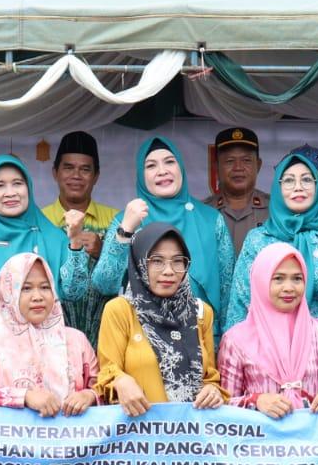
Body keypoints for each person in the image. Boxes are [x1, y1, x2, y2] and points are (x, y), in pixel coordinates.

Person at [222, 152, 318, 360]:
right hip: (269, 355)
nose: (298, 187)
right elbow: (240, 303)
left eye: (307, 180)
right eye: (289, 180)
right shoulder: (258, 240)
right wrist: (236, 356)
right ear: (278, 188)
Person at [93, 137, 236, 333]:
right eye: (151, 166)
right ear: (141, 176)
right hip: (144, 342)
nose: (162, 171)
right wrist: (125, 231)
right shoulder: (127, 219)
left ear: (181, 168)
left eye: (169, 161)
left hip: (203, 339)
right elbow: (104, 284)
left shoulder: (211, 220)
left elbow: (228, 292)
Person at [0, 155, 92, 327]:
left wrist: (75, 241)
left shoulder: (50, 236)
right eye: (0, 185)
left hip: (46, 344)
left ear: (28, 187)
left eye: (17, 183)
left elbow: (74, 292)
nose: (10, 192)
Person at [96, 224, 226, 415]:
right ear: (139, 263)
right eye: (157, 261)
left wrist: (212, 391)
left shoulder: (200, 312)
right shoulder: (120, 310)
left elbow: (210, 378)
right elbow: (107, 374)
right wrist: (120, 380)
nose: (169, 271)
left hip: (189, 438)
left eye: (177, 261)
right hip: (137, 436)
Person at [0, 253, 99, 415]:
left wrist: (89, 396)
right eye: (26, 288)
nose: (38, 297)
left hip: (71, 439)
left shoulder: (76, 340)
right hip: (8, 439)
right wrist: (23, 397)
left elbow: (102, 389)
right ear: (8, 291)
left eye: (45, 287)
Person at [218, 244, 318, 416]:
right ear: (261, 281)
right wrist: (256, 400)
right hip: (260, 440)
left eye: (297, 279)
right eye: (278, 278)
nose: (289, 287)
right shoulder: (235, 340)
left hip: (313, 439)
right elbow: (224, 406)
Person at [42, 130, 117, 342]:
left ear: (96, 176)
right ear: (55, 172)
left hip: (105, 332)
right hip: (51, 332)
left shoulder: (115, 220)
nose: (76, 176)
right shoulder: (40, 221)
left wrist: (104, 252)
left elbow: (130, 277)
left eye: (85, 169)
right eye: (68, 168)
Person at [208, 127, 268, 253]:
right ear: (216, 167)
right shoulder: (202, 212)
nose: (238, 168)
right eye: (230, 161)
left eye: (246, 160)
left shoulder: (276, 210)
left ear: (258, 165)